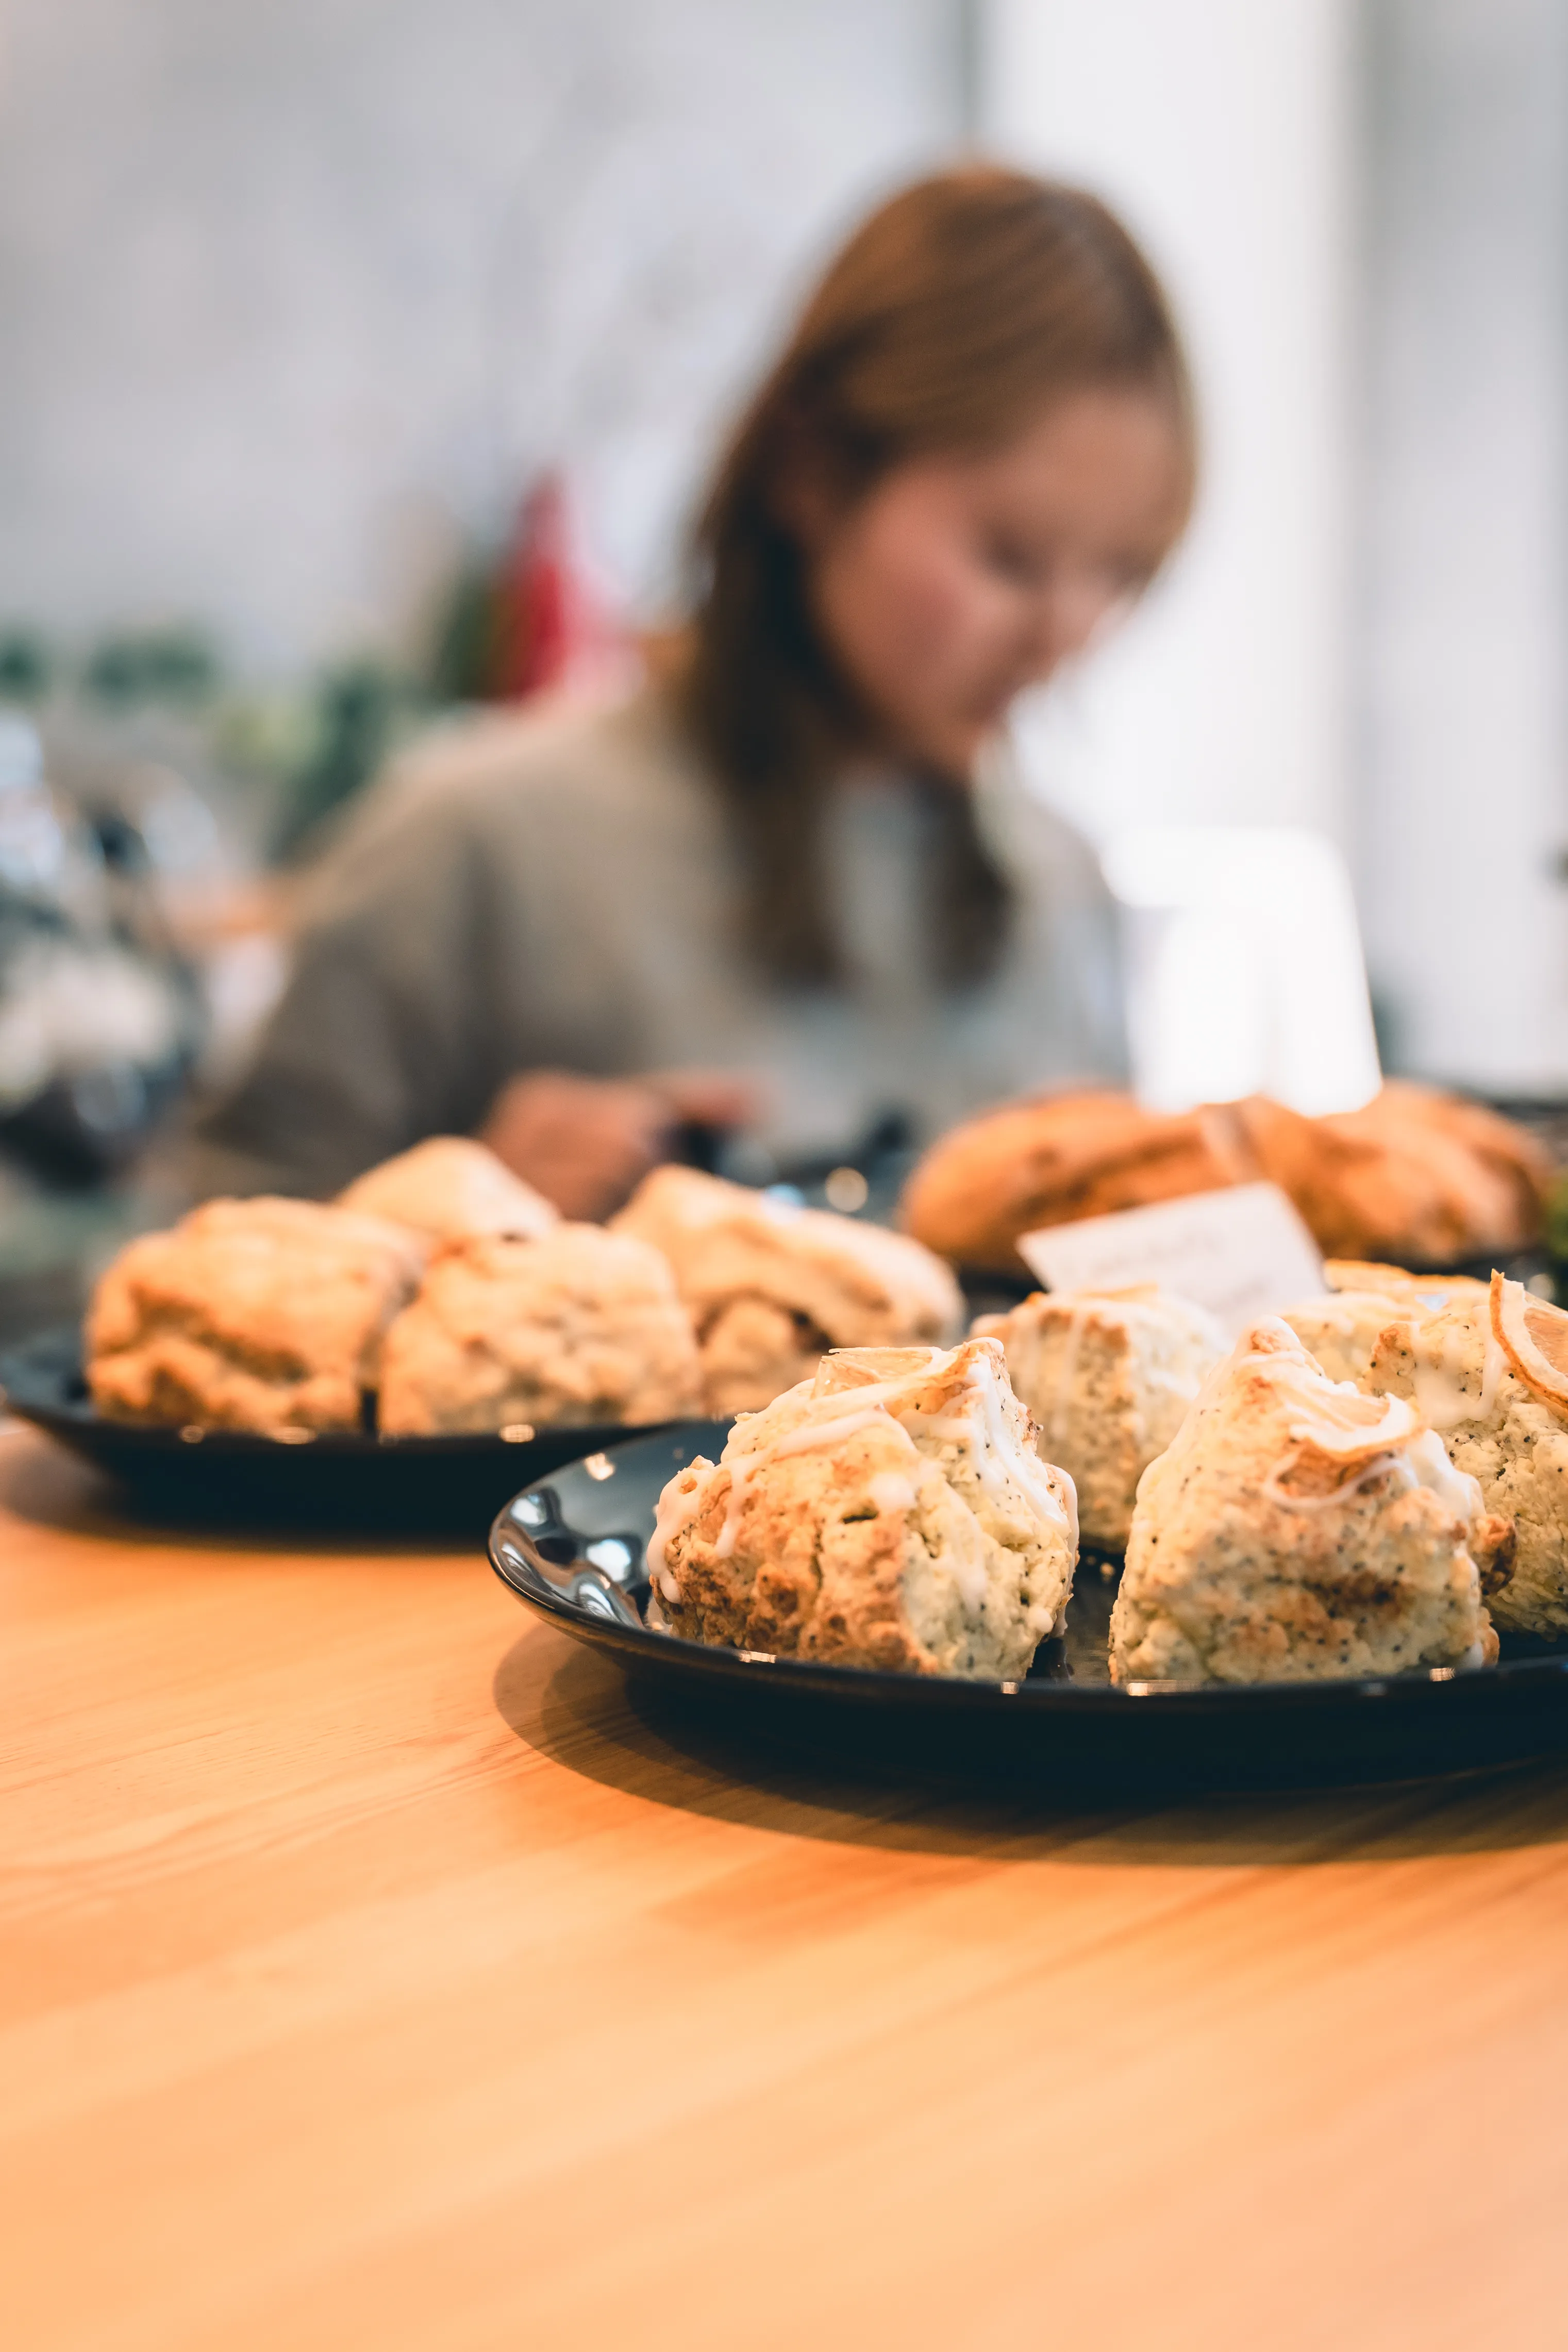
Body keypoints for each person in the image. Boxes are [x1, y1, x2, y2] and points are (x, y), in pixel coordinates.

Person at [191, 165, 1195, 1219]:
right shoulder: (474, 844)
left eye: (1121, 573)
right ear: (811, 472)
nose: (1064, 638)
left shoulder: (1062, 887)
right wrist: (446, 1218)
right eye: (1012, 557)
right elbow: (197, 1277)